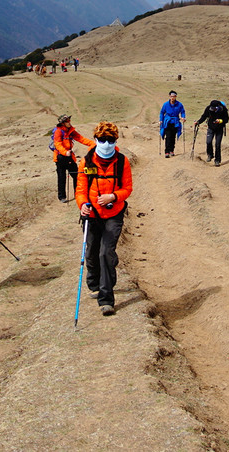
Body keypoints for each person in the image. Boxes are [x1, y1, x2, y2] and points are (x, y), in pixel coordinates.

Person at [76, 121, 133, 316]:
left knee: (106, 253)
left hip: (114, 213)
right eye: (103, 139)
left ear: (116, 140)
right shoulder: (86, 162)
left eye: (111, 140)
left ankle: (106, 299)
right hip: (91, 214)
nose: (106, 143)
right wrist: (83, 204)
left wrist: (113, 196)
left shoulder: (122, 161)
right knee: (92, 251)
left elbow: (128, 188)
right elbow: (81, 189)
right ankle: (94, 283)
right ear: (96, 140)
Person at [53, 114, 96, 202]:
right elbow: (57, 144)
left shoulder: (71, 131)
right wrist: (65, 152)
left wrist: (94, 143)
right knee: (61, 177)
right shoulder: (58, 131)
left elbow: (81, 139)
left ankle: (78, 193)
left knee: (76, 175)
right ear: (63, 123)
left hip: (69, 156)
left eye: (69, 120)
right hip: (60, 157)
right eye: (67, 121)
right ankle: (62, 197)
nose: (69, 122)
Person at [194, 99, 229, 166]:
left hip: (219, 129)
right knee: (208, 142)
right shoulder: (208, 108)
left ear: (218, 107)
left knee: (217, 144)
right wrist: (198, 122)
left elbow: (226, 119)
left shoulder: (223, 109)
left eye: (214, 108)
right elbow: (204, 116)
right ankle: (210, 155)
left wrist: (220, 121)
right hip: (210, 128)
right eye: (212, 108)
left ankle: (217, 160)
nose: (212, 109)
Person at [159, 90, 186, 158]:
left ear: (176, 97)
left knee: (173, 137)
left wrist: (183, 117)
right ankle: (167, 151)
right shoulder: (165, 104)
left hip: (175, 122)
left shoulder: (179, 104)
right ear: (169, 96)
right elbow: (162, 112)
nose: (172, 98)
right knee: (168, 137)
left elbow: (182, 112)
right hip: (167, 122)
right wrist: (161, 120)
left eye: (174, 96)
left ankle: (172, 150)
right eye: (171, 96)